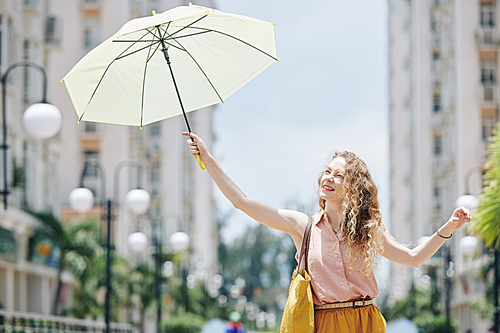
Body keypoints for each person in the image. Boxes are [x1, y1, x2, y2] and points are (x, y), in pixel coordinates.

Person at [182, 132, 471, 333]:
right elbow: (243, 203)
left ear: (354, 188)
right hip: (323, 323)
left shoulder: (367, 231)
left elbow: (413, 258)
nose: (328, 178)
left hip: (366, 320)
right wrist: (207, 158)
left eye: (338, 175)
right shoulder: (303, 226)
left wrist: (449, 227)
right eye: (327, 171)